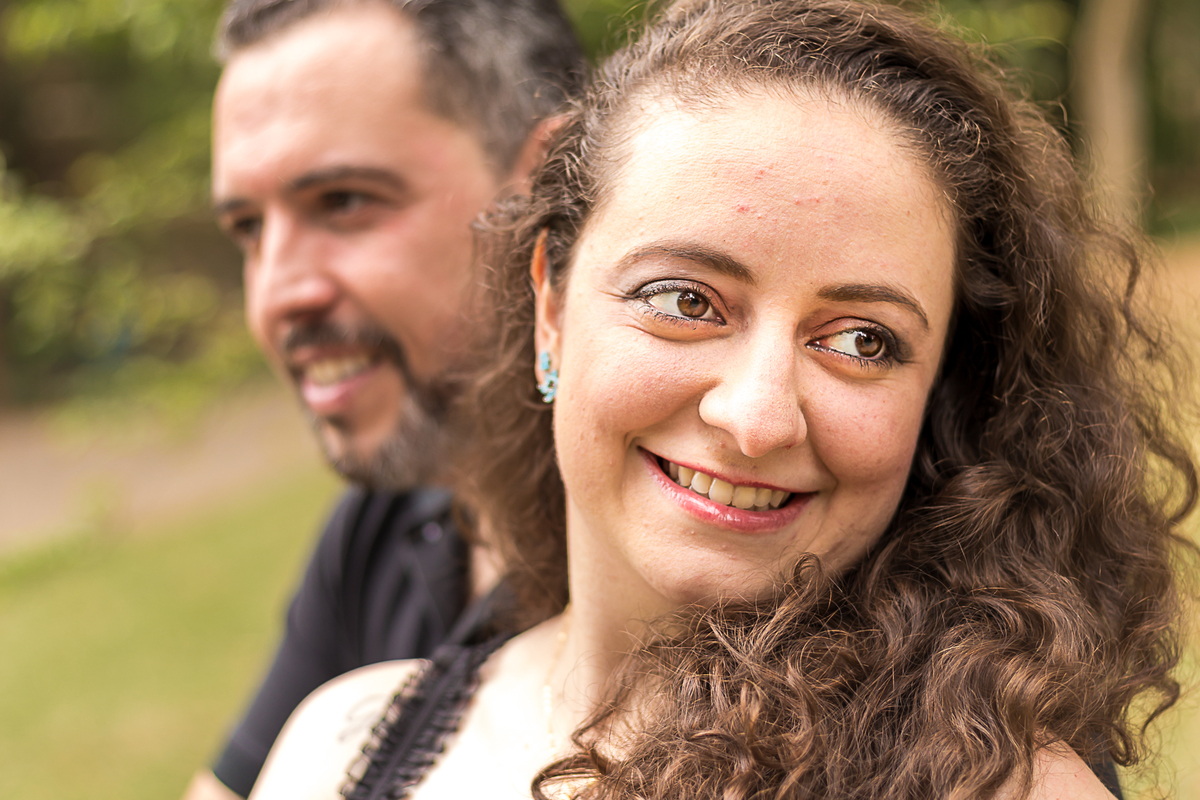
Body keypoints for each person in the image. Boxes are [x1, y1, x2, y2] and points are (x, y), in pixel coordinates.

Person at [247, 0, 1199, 798]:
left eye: (861, 341)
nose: (756, 418)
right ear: (551, 310)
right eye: (685, 301)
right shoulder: (343, 745)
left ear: (943, 391)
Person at [186, 0, 584, 798]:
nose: (276, 296)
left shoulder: (678, 556)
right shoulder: (382, 535)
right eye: (249, 230)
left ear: (549, 182)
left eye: (343, 202)